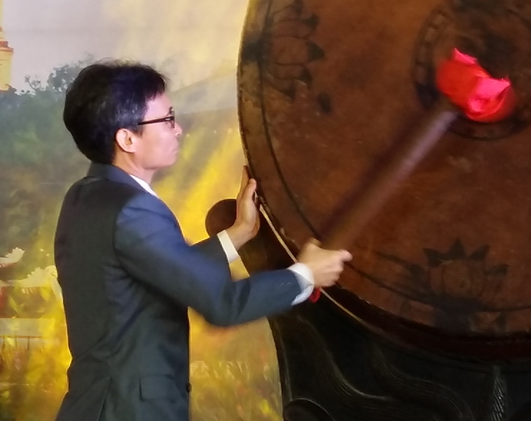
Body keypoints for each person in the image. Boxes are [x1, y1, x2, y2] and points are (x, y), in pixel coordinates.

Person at [53, 61, 352, 421]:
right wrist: (305, 275)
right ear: (127, 139)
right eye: (167, 120)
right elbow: (223, 304)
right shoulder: (135, 209)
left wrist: (239, 233)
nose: (178, 129)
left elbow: (163, 272)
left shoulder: (86, 197)